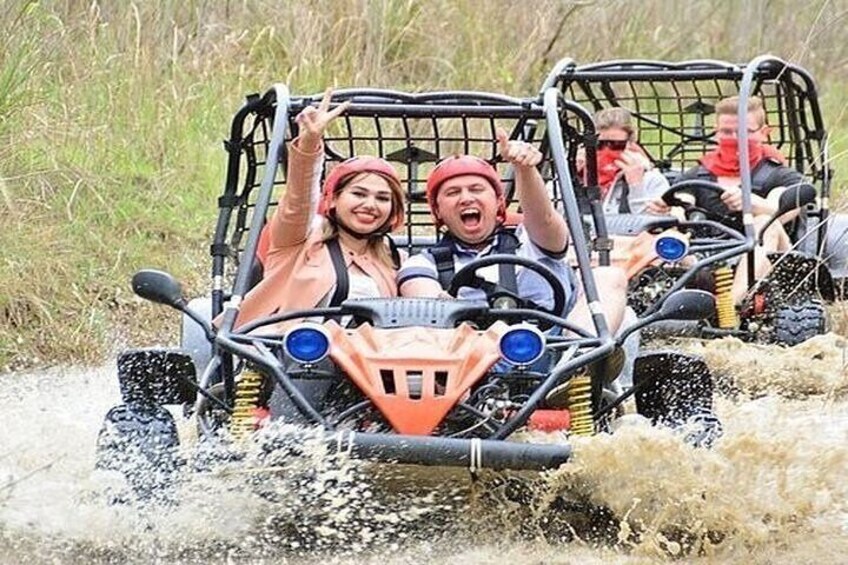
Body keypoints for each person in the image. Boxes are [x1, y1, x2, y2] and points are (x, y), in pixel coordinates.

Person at [398, 128, 628, 340]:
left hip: (555, 352)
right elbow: (424, 301)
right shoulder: (424, 263)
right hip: (469, 355)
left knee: (609, 277)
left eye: (477, 189)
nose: (466, 198)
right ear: (437, 210)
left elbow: (544, 219)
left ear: (498, 202)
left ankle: (582, 364)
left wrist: (525, 169)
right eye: (452, 192)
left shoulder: (531, 241)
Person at [232, 89, 406, 331]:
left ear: (392, 209)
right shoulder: (301, 238)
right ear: (333, 200)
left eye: (382, 198)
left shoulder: (393, 258)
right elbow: (298, 202)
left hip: (363, 361)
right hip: (287, 356)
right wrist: (310, 144)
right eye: (358, 194)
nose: (370, 205)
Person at [646, 95, 804, 302]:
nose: (734, 139)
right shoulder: (698, 174)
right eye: (726, 132)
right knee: (667, 236)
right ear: (717, 132)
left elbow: (782, 208)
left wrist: (750, 203)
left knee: (766, 223)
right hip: (706, 259)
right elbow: (682, 201)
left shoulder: (780, 175)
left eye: (744, 132)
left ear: (764, 133)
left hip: (770, 262)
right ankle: (646, 304)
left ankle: (731, 308)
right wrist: (669, 208)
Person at [580, 107, 670, 214]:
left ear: (630, 145)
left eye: (617, 145)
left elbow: (654, 227)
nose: (607, 151)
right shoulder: (578, 173)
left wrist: (636, 186)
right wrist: (571, 178)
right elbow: (559, 221)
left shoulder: (652, 179)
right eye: (599, 144)